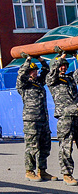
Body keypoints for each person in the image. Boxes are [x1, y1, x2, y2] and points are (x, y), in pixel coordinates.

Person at [17, 53, 53, 182]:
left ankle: (42, 171)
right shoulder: (23, 85)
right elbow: (20, 74)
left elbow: (46, 70)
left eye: (35, 71)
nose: (35, 73)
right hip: (31, 120)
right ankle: (29, 171)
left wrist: (40, 59)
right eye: (32, 71)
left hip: (43, 119)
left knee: (45, 146)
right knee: (32, 147)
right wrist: (27, 60)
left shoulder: (39, 83)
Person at [46, 48, 78, 186]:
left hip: (77, 115)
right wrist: (62, 55)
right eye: (61, 65)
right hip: (65, 117)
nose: (63, 67)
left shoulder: (70, 78)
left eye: (65, 65)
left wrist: (76, 55)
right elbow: (52, 71)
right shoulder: (52, 79)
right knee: (66, 146)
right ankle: (67, 174)